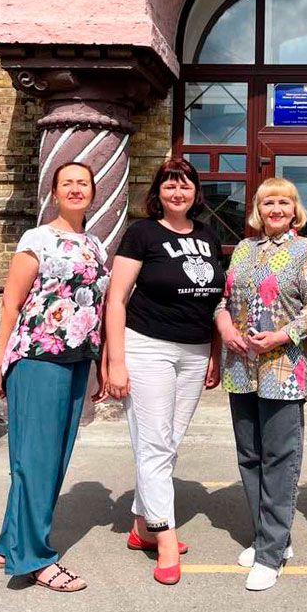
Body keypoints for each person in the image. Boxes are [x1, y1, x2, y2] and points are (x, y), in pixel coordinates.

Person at [0, 161, 108, 592]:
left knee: (50, 460)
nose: (75, 189)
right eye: (67, 183)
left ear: (92, 192)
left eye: (83, 183)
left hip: (76, 359)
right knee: (36, 460)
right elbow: (10, 302)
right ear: (54, 193)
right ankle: (34, 559)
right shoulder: (37, 238)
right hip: (37, 357)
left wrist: (100, 363)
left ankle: (11, 542)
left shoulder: (95, 244)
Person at [105, 158, 224, 586]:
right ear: (158, 192)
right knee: (155, 443)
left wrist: (213, 351)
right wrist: (116, 361)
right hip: (147, 346)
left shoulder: (208, 236)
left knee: (167, 444)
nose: (178, 192)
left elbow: (213, 299)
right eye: (170, 185)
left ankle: (142, 525)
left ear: (195, 192)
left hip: (193, 350)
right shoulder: (142, 233)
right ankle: (165, 536)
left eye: (185, 185)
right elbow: (116, 299)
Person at [214, 177, 307, 592]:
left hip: (283, 367)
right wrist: (225, 326)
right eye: (268, 203)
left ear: (295, 209)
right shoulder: (244, 250)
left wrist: (281, 336)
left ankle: (270, 554)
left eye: (283, 202)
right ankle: (270, 536)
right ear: (257, 210)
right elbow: (223, 300)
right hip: (240, 366)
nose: (276, 209)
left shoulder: (306, 250)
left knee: (280, 457)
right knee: (250, 455)